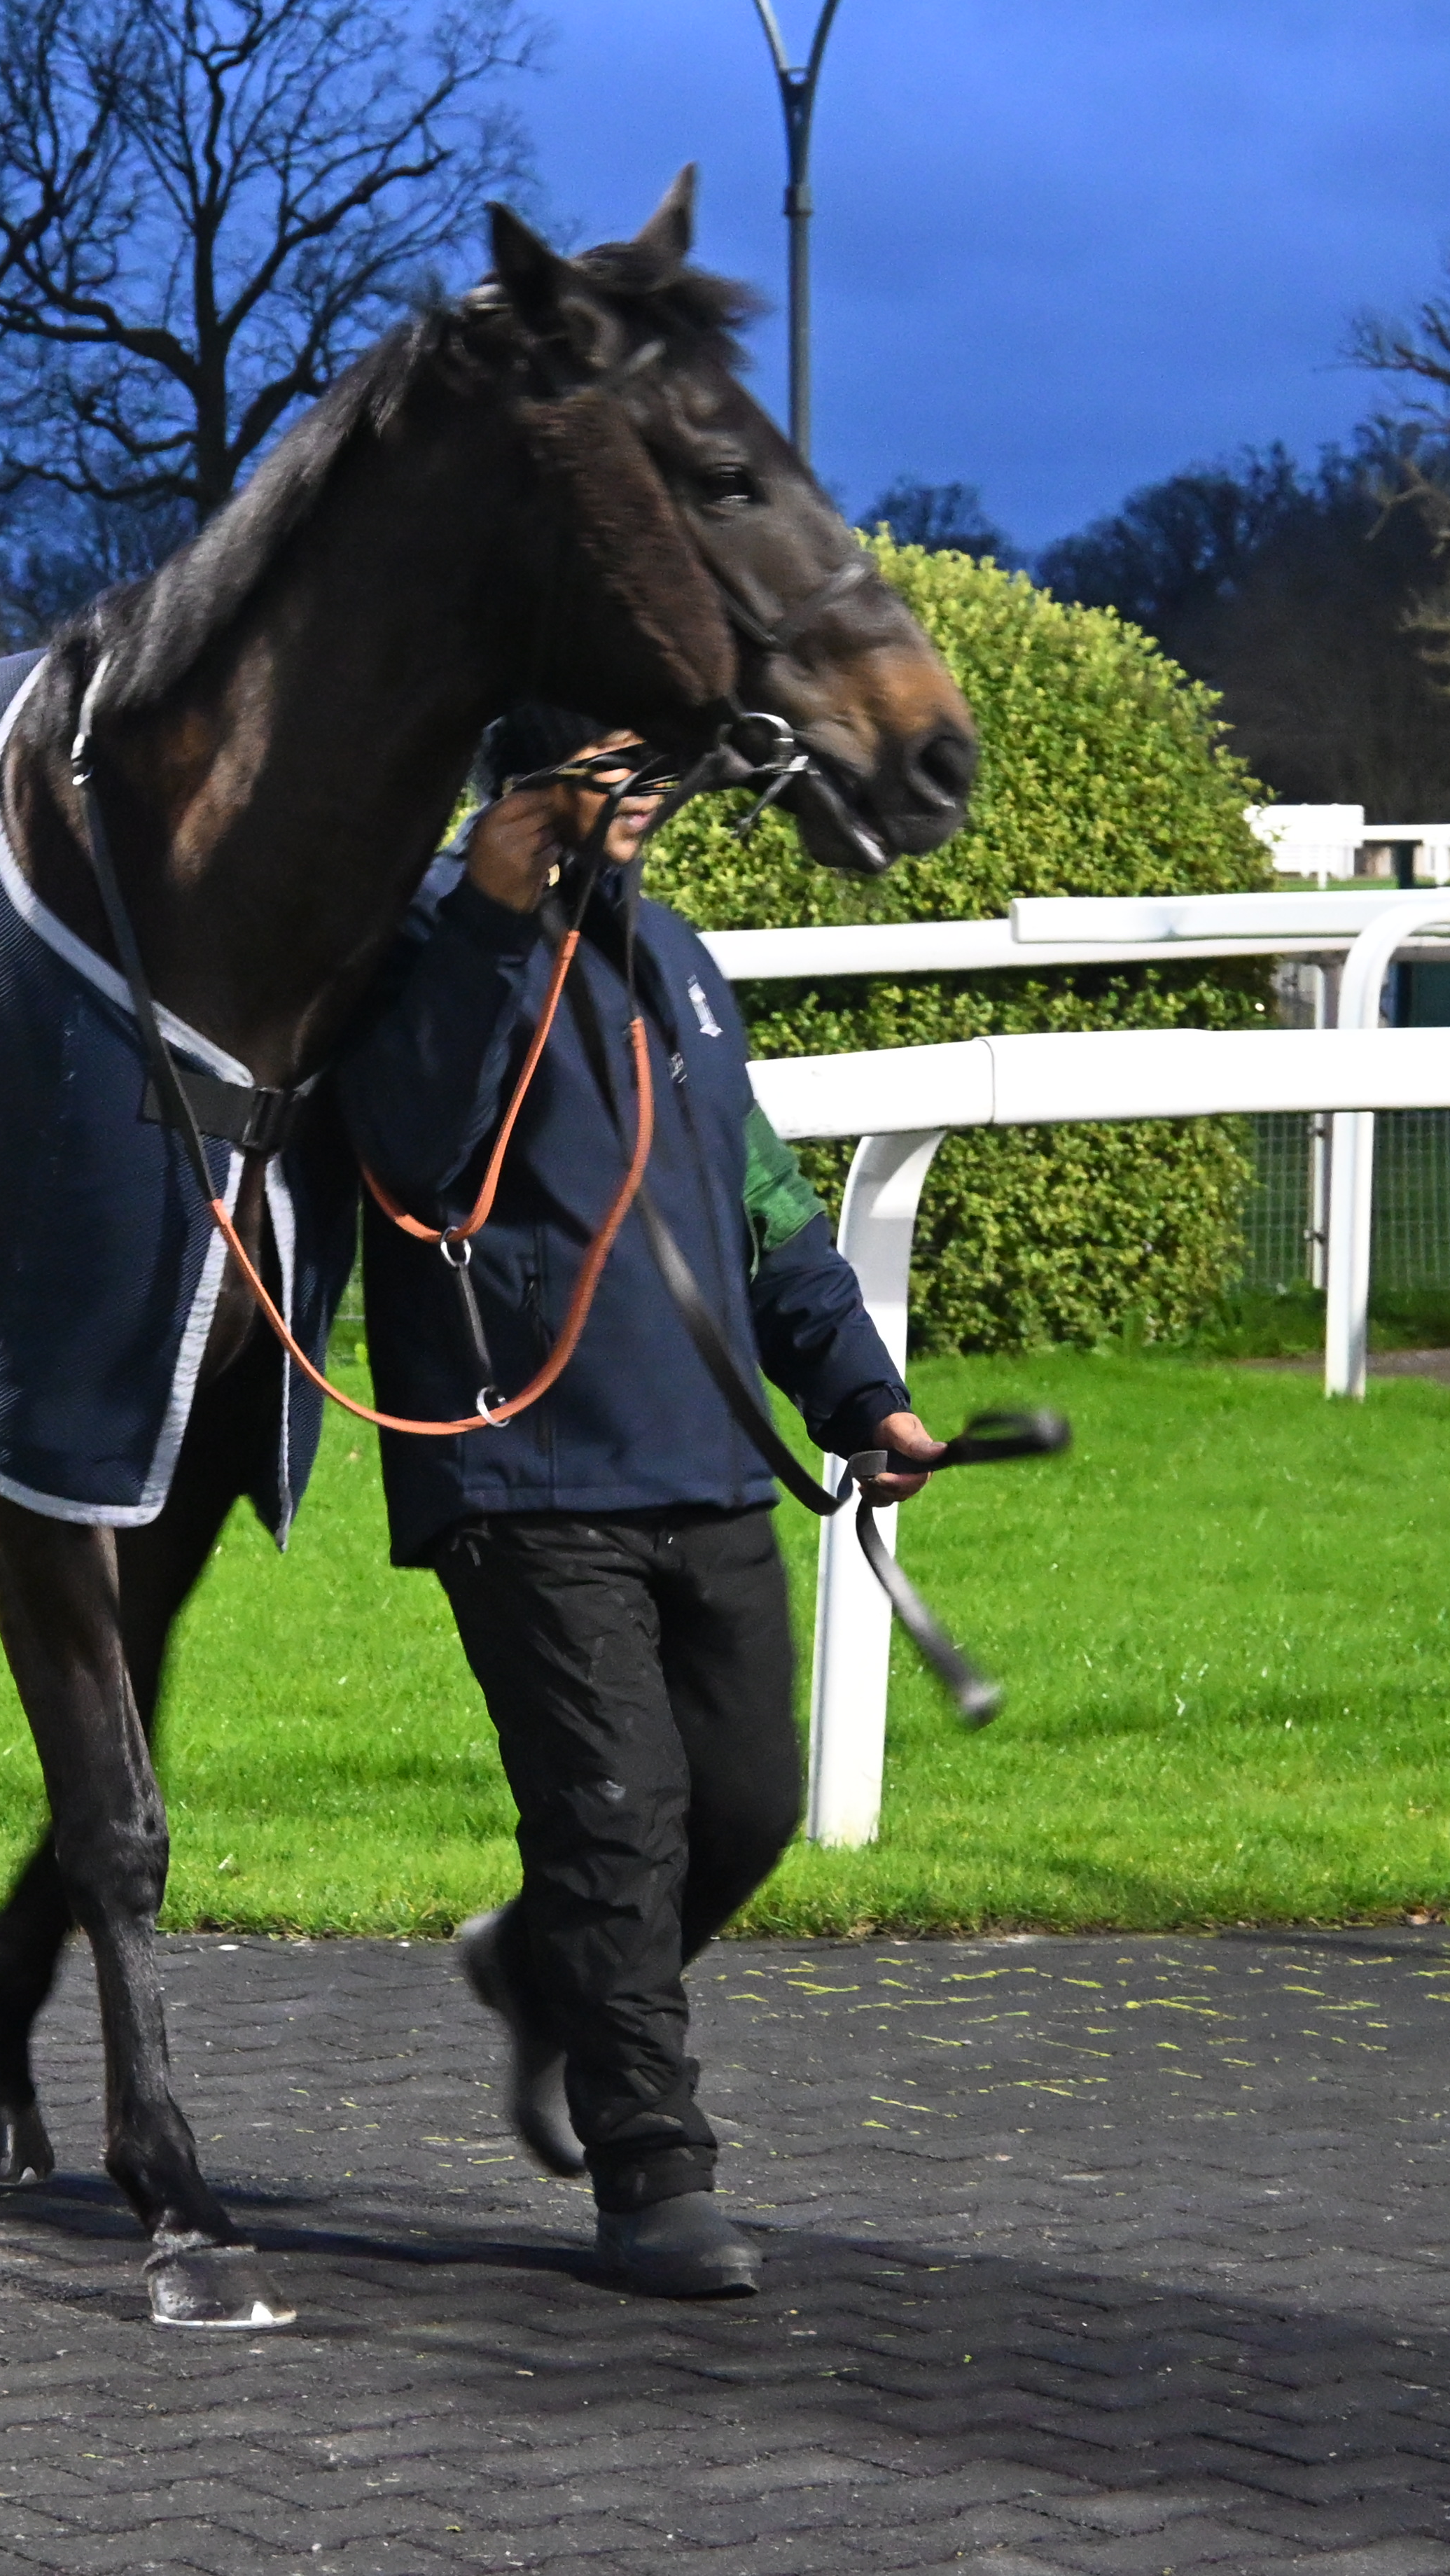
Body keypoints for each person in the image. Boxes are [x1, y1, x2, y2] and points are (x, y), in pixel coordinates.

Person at [336, 706, 942, 2299]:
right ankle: (652, 2170)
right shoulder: (418, 946)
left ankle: (535, 1965)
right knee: (618, 1819)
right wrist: (484, 912)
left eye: (651, 764)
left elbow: (769, 1212)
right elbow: (402, 1150)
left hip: (705, 1457)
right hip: (521, 1470)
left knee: (744, 1807)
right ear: (520, 782)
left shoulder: (678, 956)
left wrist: (860, 1391)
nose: (644, 793)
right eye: (607, 764)